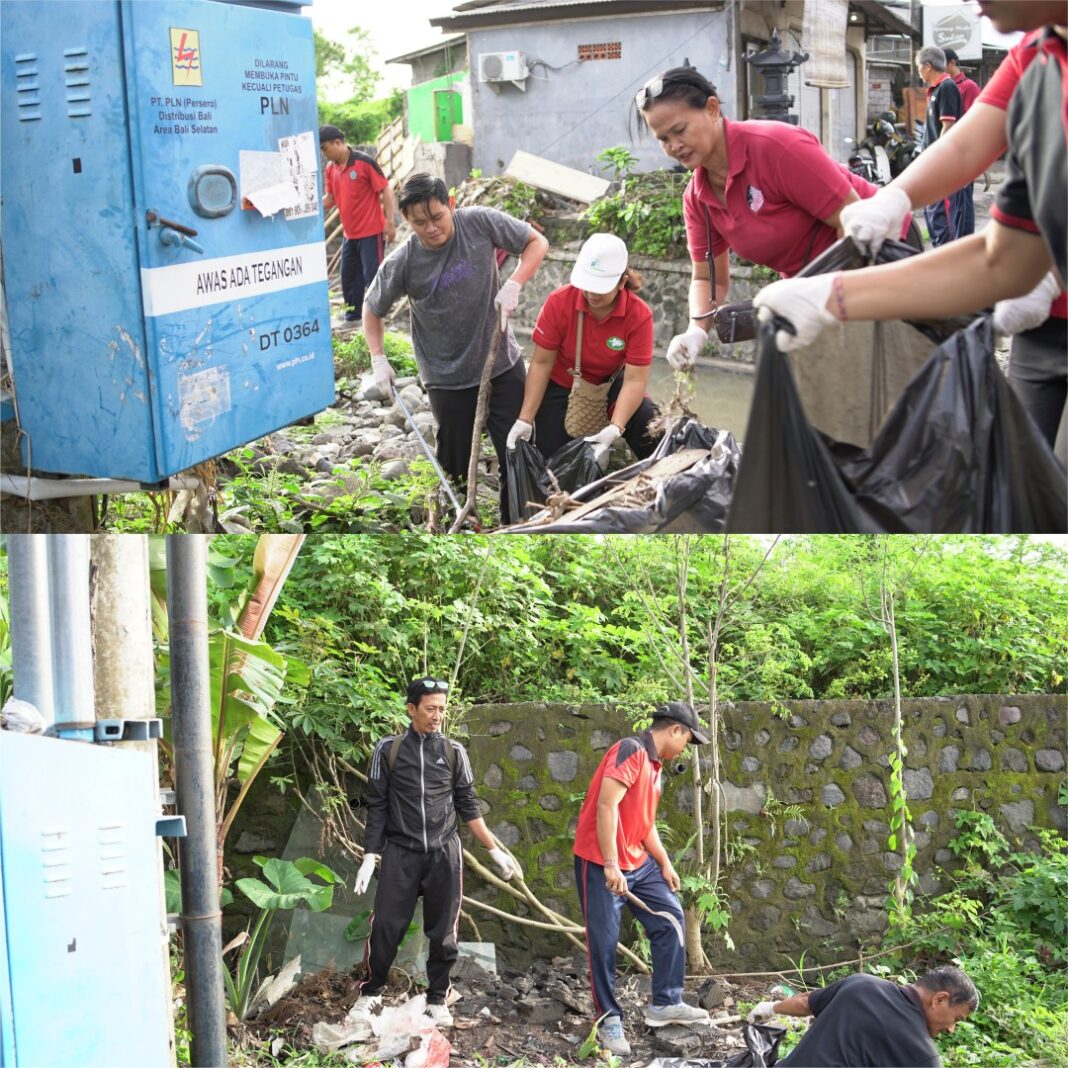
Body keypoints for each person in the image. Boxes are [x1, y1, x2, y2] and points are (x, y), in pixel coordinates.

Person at [752, 1, 1067, 465]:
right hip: (1043, 326)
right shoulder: (1039, 56)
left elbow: (1004, 263)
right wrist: (895, 197)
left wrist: (831, 297)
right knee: (1024, 470)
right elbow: (965, 152)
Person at [635, 66, 912, 372]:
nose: (674, 146)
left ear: (712, 108)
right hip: (811, 288)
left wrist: (825, 298)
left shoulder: (775, 147)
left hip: (882, 250)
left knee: (879, 379)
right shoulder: (698, 199)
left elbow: (853, 222)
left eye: (680, 130)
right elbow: (707, 278)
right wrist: (696, 331)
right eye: (663, 138)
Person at [363, 173, 549, 523]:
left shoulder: (478, 222)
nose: (431, 228)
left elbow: (536, 242)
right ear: (405, 219)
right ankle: (459, 522)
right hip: (446, 378)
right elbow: (372, 310)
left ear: (451, 204)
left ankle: (517, 525)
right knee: (454, 464)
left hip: (501, 364)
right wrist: (379, 359)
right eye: (420, 223)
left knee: (517, 449)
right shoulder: (404, 262)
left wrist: (514, 283)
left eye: (437, 217)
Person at [350, 676, 522, 1028]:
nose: (437, 715)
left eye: (442, 709)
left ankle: (437, 998)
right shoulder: (388, 750)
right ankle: (371, 993)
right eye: (430, 708)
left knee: (444, 932)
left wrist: (494, 851)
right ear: (411, 709)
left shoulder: (454, 752)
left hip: (444, 854)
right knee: (386, 926)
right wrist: (370, 856)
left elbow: (468, 805)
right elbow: (377, 805)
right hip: (400, 853)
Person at [573, 702, 711, 1056]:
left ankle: (665, 1002)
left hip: (638, 862)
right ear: (676, 729)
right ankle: (608, 1019)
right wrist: (610, 864)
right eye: (688, 740)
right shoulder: (631, 751)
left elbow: (645, 823)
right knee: (604, 942)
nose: (686, 749)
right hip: (601, 862)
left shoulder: (655, 767)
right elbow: (606, 806)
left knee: (670, 918)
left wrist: (664, 863)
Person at [506, 233, 660, 468]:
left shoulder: (638, 314)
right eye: (587, 286)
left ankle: (660, 477)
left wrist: (615, 427)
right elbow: (541, 363)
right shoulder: (559, 302)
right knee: (557, 463)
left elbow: (635, 380)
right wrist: (525, 419)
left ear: (621, 282)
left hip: (609, 384)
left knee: (649, 421)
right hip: (561, 383)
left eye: (600, 288)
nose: (591, 294)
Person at [748, 965, 979, 1067]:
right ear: (939, 999)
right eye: (956, 1020)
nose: (951, 1029)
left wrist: (770, 1008)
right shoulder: (922, 1056)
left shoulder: (861, 984)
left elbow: (805, 1002)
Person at [319, 125, 397, 324]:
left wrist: (390, 222)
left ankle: (378, 319)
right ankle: (353, 318)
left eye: (325, 148)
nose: (324, 154)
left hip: (371, 232)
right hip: (349, 234)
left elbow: (385, 189)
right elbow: (330, 199)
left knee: (373, 277)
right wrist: (310, 206)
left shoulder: (364, 162)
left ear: (338, 142)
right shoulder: (330, 169)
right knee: (348, 277)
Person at [914, 47, 970, 245]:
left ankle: (947, 256)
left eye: (919, 68)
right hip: (932, 165)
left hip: (941, 168)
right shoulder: (936, 89)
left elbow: (948, 126)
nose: (919, 73)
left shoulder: (947, 87)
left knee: (943, 221)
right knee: (933, 217)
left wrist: (936, 160)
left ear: (928, 66)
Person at [942, 48, 980, 235]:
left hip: (963, 152)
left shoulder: (968, 87)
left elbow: (974, 121)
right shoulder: (944, 86)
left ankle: (965, 242)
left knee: (963, 203)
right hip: (947, 154)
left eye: (942, 63)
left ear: (952, 62)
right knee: (952, 204)